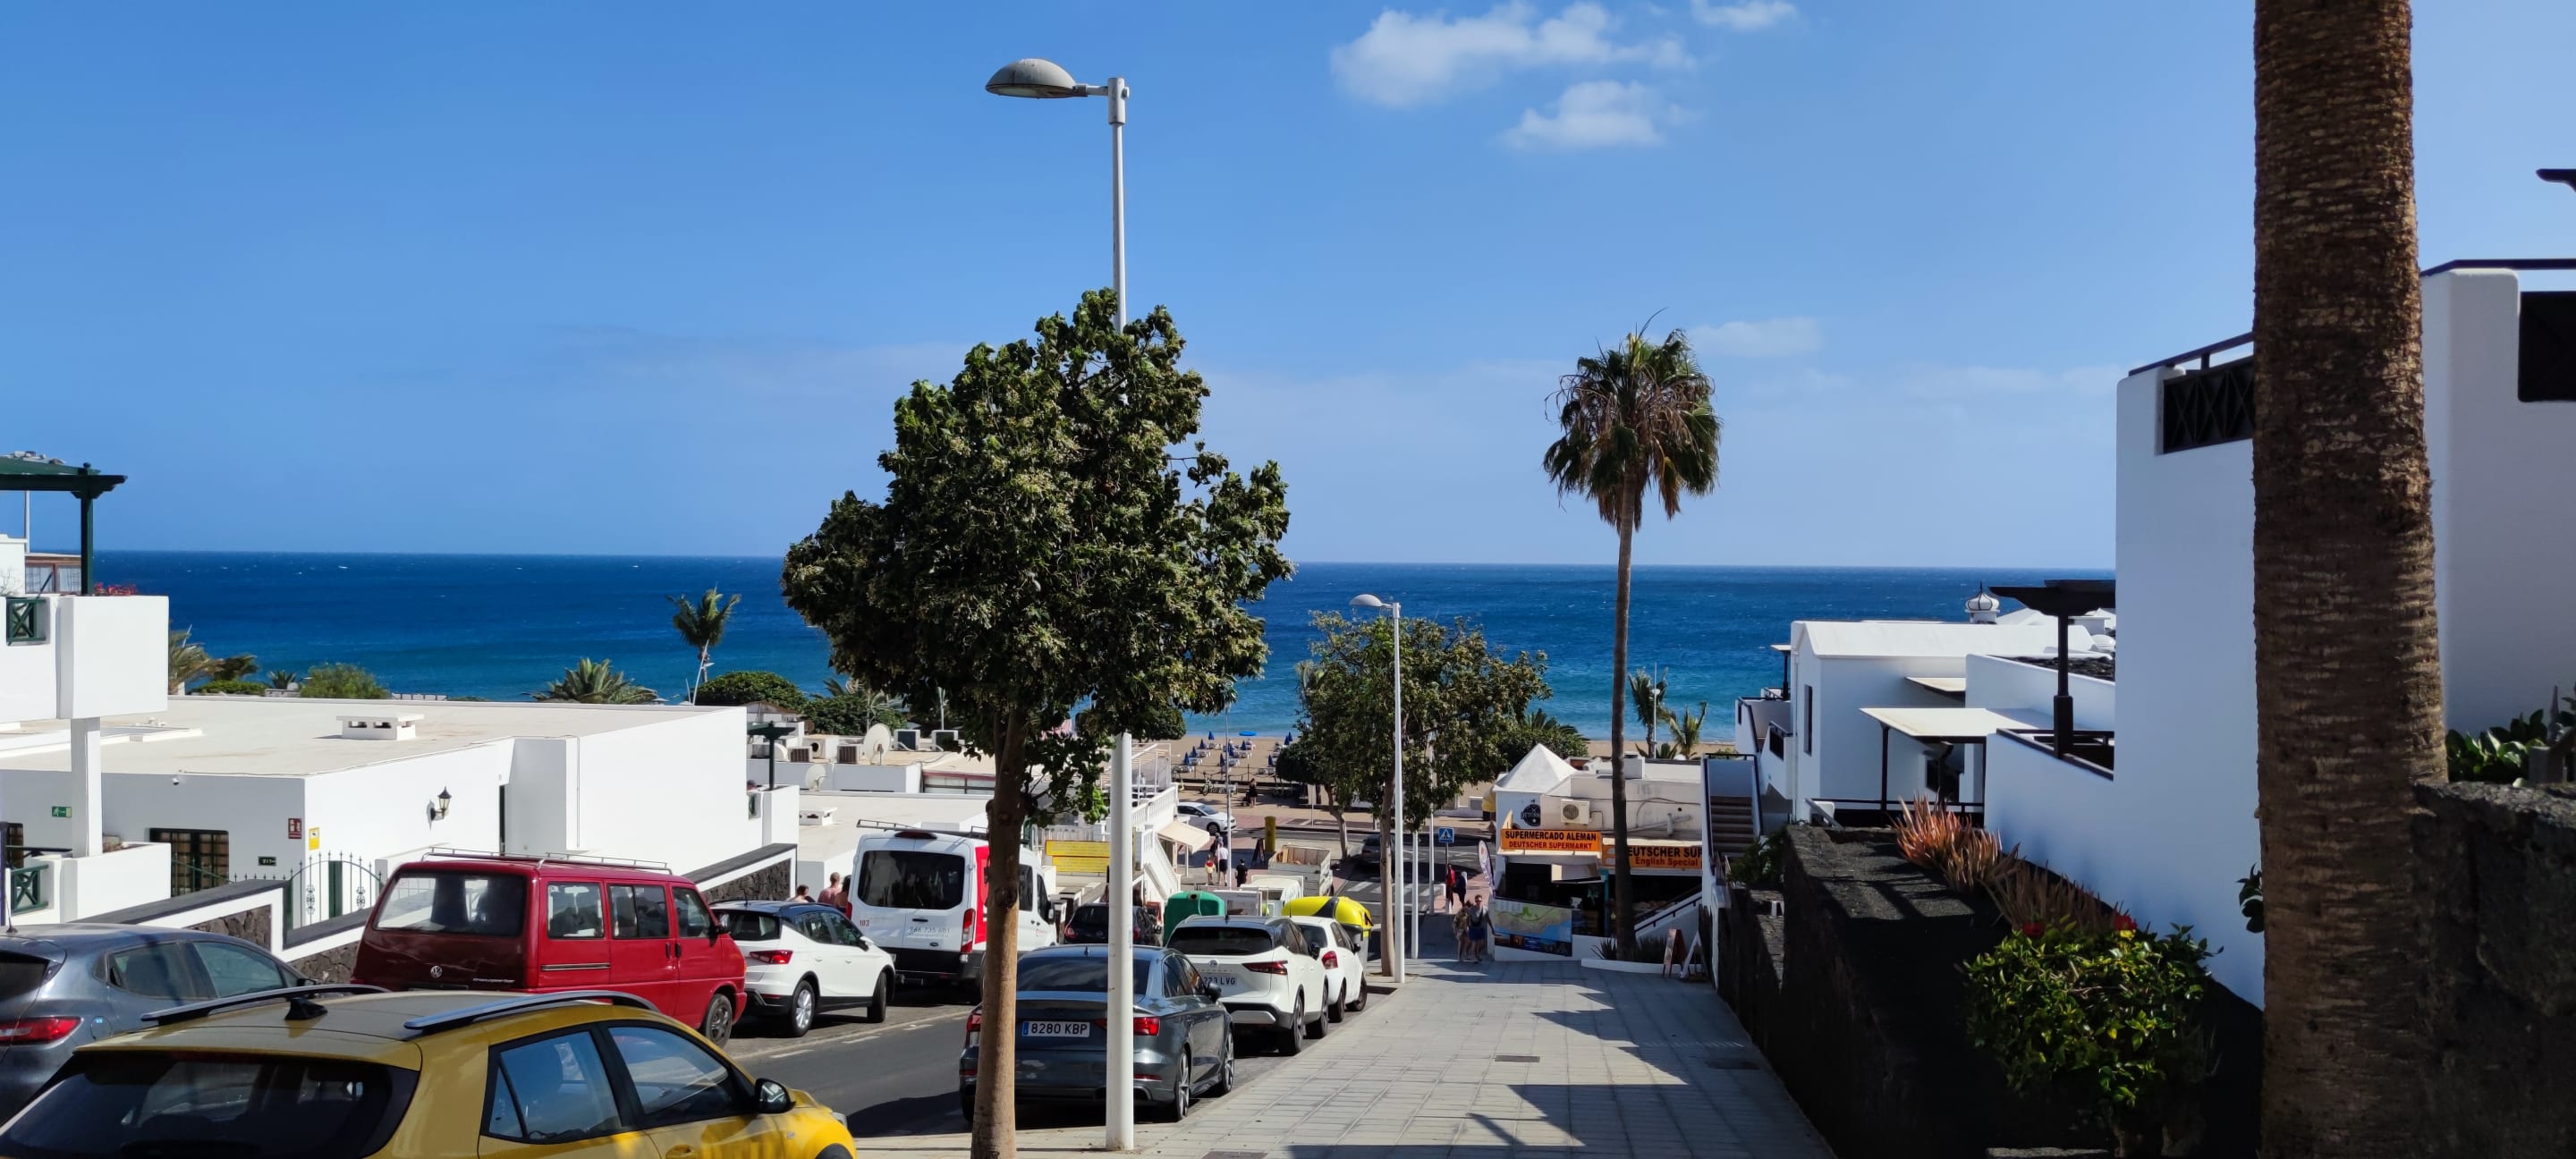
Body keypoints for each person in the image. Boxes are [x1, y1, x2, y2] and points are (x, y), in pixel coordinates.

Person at [1463, 895, 1489, 964]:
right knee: (1474, 943)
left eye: (1479, 901)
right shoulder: (1471, 909)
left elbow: (1488, 919)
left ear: (1481, 901)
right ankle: (1475, 957)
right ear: (1475, 901)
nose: (1478, 902)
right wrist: (1466, 927)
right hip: (1473, 928)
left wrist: (1492, 928)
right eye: (1477, 901)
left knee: (1482, 944)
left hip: (1481, 928)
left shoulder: (1485, 909)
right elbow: (1467, 919)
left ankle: (1477, 954)